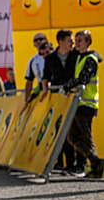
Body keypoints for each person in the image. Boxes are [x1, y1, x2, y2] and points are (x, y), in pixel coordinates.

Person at [62, 30, 104, 179]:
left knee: (85, 137)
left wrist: (68, 85)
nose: (76, 43)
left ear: (88, 42)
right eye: (76, 40)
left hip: (86, 103)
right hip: (78, 103)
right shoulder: (80, 57)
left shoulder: (90, 58)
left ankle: (96, 166)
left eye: (80, 40)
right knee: (72, 136)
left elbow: (83, 79)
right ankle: (96, 161)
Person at [41, 29, 81, 174]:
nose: (73, 43)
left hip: (75, 98)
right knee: (61, 132)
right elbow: (45, 78)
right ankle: (62, 163)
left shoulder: (77, 55)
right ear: (61, 42)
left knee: (75, 131)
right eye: (70, 40)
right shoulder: (51, 58)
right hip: (59, 100)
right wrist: (46, 92)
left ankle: (75, 165)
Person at [24, 32, 48, 101]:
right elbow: (29, 81)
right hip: (41, 92)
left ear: (46, 40)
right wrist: (27, 100)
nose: (38, 41)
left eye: (41, 39)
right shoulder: (33, 60)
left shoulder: (54, 54)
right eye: (35, 40)